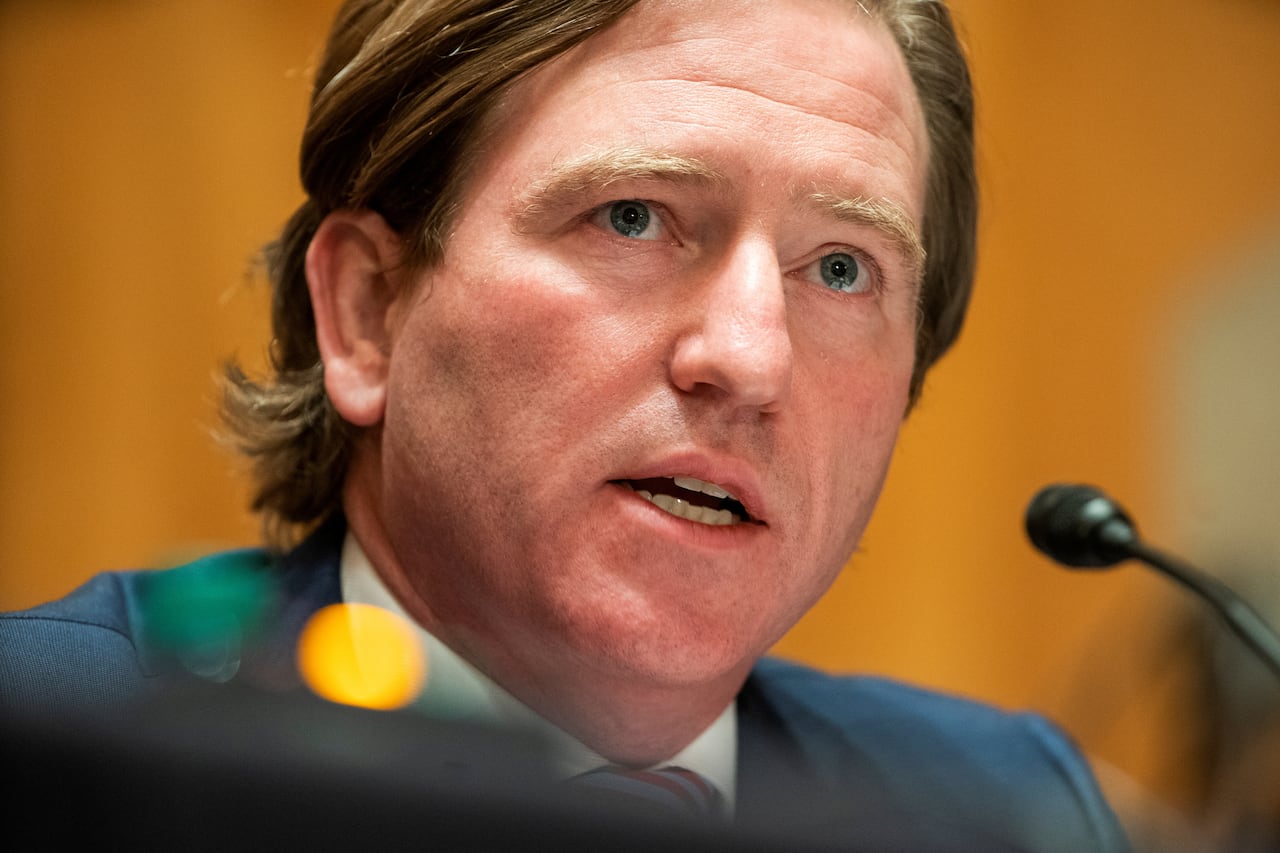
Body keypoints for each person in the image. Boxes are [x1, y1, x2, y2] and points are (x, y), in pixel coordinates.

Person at [1, 0, 1129, 849]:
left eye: (840, 266)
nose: (746, 358)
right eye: (632, 217)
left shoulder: (1009, 813)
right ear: (365, 311)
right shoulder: (49, 749)